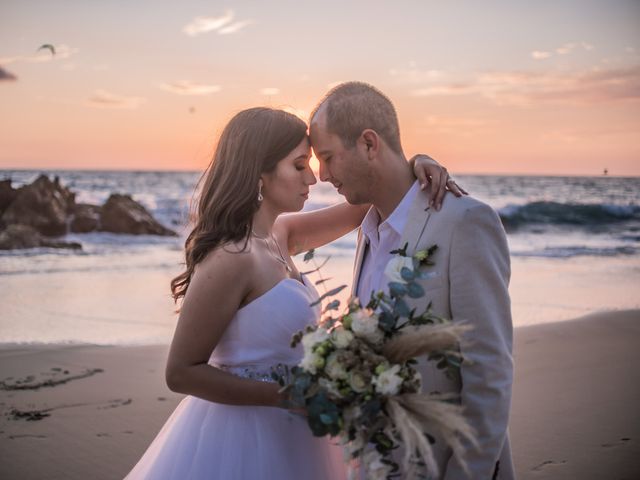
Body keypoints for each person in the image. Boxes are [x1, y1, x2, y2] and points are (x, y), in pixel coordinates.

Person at [124, 106, 461, 479]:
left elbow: (368, 199)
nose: (313, 178)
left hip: (297, 434)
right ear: (260, 174)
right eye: (299, 165)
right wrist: (288, 397)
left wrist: (414, 163)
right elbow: (181, 373)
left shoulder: (280, 236)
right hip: (243, 439)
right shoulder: (231, 258)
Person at [309, 82, 515, 480]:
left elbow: (489, 370)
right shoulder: (367, 230)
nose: (321, 175)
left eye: (328, 157)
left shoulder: (465, 222)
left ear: (369, 144)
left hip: (445, 463)